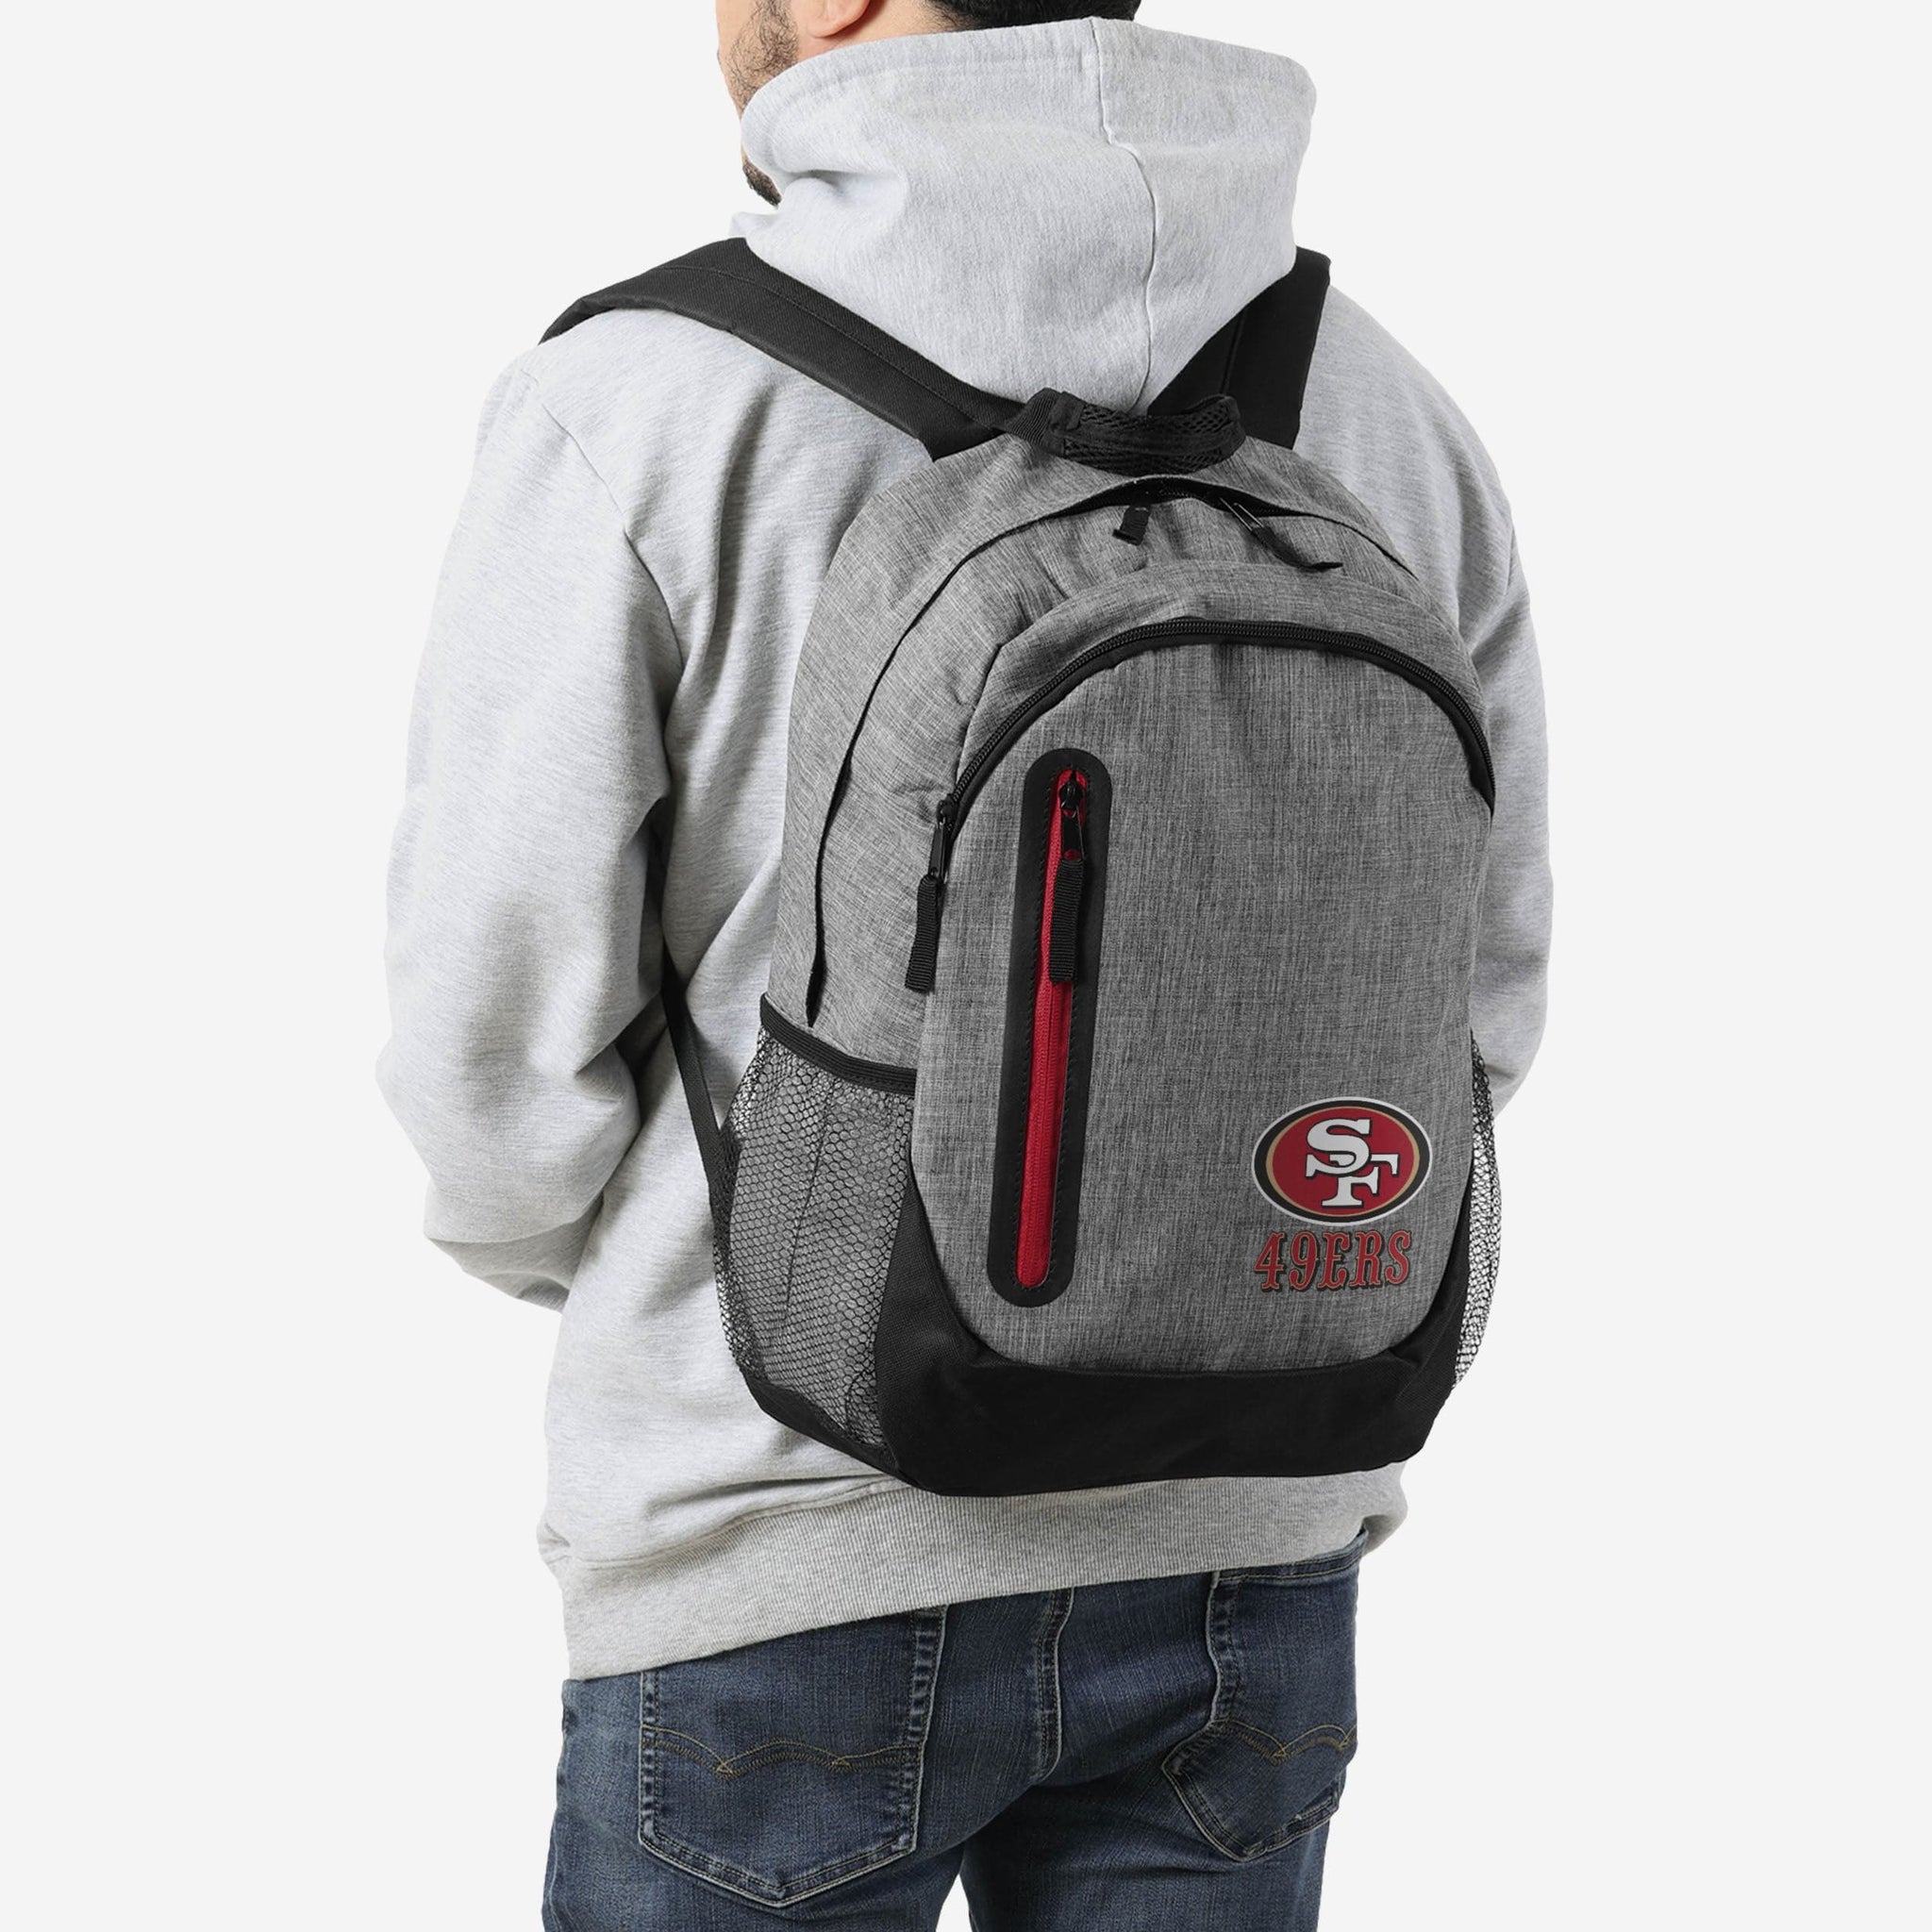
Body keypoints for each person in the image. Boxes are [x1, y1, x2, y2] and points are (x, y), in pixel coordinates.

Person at [378, 2, 1552, 1924]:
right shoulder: (1380, 399)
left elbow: (491, 1036)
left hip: (776, 1527)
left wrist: (634, 1274)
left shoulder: (647, 396)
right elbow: (1481, 997)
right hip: (1254, 1538)